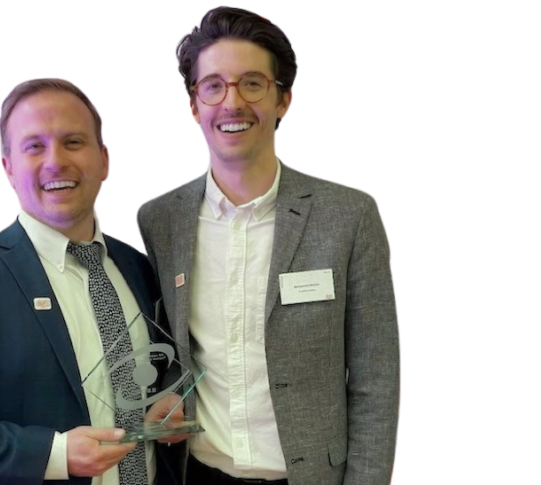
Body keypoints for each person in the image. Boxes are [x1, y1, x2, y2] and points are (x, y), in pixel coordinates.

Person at [136, 7, 401, 485]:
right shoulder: (160, 218)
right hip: (198, 472)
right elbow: (162, 343)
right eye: (213, 85)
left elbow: (376, 377)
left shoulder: (350, 214)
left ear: (284, 100)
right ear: (194, 105)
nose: (232, 102)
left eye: (252, 83)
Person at [0, 77, 179, 485]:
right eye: (34, 146)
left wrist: (170, 398)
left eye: (73, 142)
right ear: (7, 168)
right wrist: (55, 454)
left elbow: (159, 367)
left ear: (105, 160)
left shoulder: (139, 265)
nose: (56, 161)